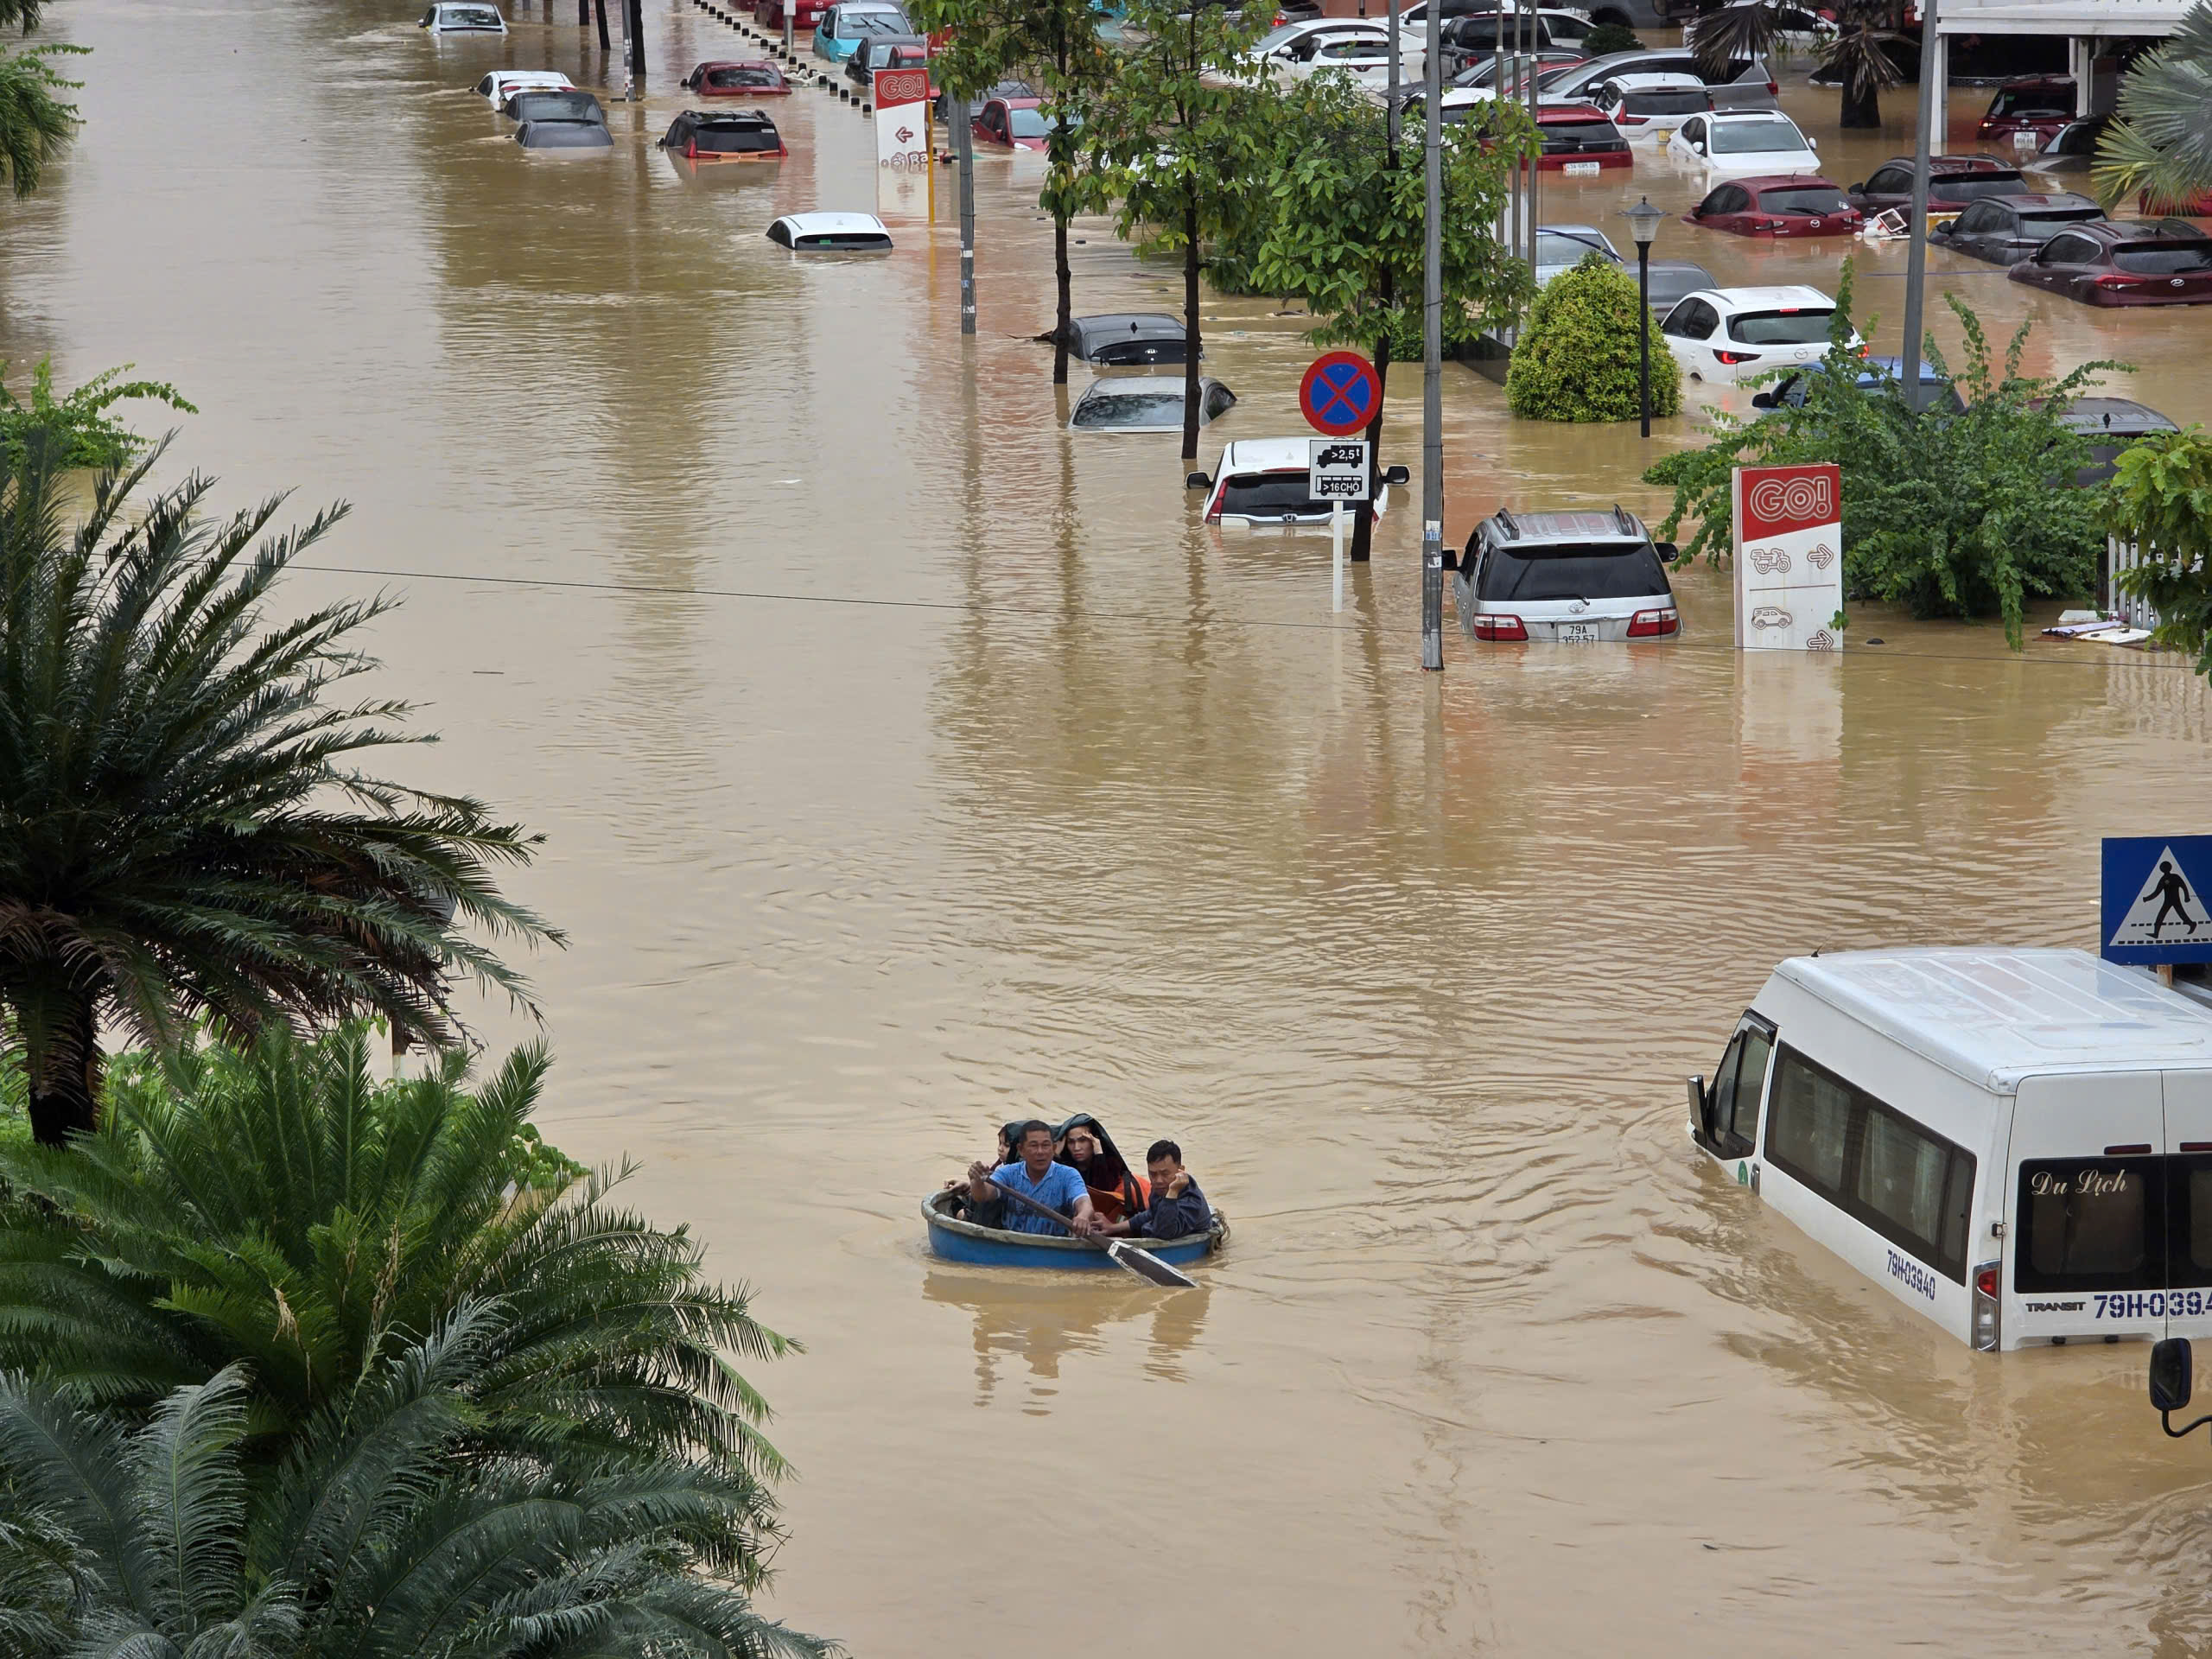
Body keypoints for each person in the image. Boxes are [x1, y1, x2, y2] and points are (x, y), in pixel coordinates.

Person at [969, 1120, 1099, 1237]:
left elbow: (1084, 1203)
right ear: (1021, 1150)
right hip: (1011, 1244)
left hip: (1055, 1247)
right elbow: (983, 1195)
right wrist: (977, 1182)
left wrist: (1083, 1216)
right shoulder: (1008, 1172)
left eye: (1045, 1145)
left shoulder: (1069, 1175)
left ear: (1054, 1149)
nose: (1040, 1152)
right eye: (1033, 1145)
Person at [1101, 1141, 1211, 1242]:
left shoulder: (1191, 1199)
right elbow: (1151, 1213)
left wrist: (1172, 1193)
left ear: (1181, 1170)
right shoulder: (1160, 1187)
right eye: (1153, 1174)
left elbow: (1165, 1234)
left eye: (1165, 1174)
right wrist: (1112, 1228)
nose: (1158, 1181)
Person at [1053, 1112, 1148, 1225]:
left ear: (1093, 1140)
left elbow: (1103, 1191)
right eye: (1071, 1142)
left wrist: (1099, 1152)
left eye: (1083, 1140)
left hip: (1110, 1219)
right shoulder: (1065, 1164)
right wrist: (1056, 1156)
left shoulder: (1112, 1163)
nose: (1077, 1147)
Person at [944, 1122, 1021, 1224]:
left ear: (1020, 1149)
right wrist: (969, 1186)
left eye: (1006, 1145)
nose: (1000, 1149)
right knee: (957, 1199)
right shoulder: (1000, 1169)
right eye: (1000, 1143)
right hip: (989, 1214)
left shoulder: (1017, 1173)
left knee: (959, 1207)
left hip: (995, 1221)